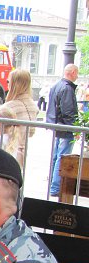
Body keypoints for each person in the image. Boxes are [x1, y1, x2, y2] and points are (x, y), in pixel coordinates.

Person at [46, 63, 79, 197]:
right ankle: (55, 187)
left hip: (57, 127)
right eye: (77, 73)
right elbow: (68, 111)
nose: (77, 76)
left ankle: (53, 185)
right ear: (72, 72)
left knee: (56, 157)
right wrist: (75, 128)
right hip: (65, 128)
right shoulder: (67, 88)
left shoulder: (57, 86)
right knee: (62, 158)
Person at [0, 69, 39, 167]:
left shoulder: (9, 107)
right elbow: (31, 132)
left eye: (9, 82)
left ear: (14, 84)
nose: (7, 85)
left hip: (8, 149)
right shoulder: (33, 106)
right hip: (23, 149)